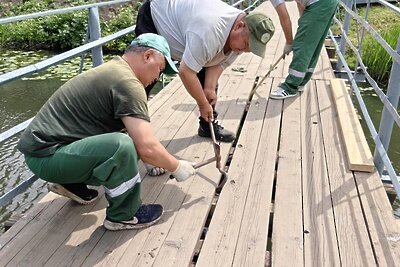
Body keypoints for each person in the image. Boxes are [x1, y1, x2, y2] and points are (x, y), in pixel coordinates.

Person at [17, 33, 197, 231]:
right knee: (122, 146)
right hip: (47, 157)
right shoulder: (128, 83)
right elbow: (146, 147)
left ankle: (71, 183)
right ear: (148, 56)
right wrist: (176, 166)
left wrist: (155, 157)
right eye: (160, 69)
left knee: (129, 144)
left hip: (45, 152)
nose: (157, 77)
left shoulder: (115, 69)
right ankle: (124, 215)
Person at [135, 0, 275, 143]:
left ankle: (207, 125)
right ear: (239, 26)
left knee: (209, 87)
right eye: (246, 45)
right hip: (156, 17)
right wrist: (202, 104)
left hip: (191, 31)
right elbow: (186, 72)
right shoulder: (210, 31)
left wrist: (209, 88)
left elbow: (219, 62)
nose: (245, 50)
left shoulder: (239, 36)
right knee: (144, 79)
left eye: (251, 48)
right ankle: (128, 128)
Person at [269, 0, 338, 99]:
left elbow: (285, 19)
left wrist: (289, 43)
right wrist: (305, 23)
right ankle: (300, 82)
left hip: (320, 3)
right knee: (312, 45)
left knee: (301, 46)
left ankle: (290, 86)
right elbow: (300, 2)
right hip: (328, 3)